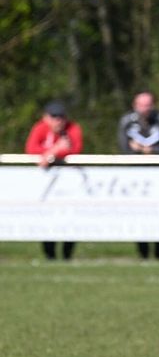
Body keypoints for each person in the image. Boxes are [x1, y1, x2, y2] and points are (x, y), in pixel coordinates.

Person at [118, 90, 159, 260]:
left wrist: (146, 150)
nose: (145, 109)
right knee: (139, 214)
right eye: (141, 105)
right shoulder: (126, 121)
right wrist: (141, 152)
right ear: (135, 106)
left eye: (148, 105)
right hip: (136, 176)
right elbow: (123, 147)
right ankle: (142, 253)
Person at [25, 100, 83, 260]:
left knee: (70, 218)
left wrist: (49, 155)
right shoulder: (40, 128)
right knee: (46, 218)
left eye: (61, 117)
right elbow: (31, 149)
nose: (58, 120)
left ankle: (67, 255)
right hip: (45, 185)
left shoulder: (73, 128)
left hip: (69, 183)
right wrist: (55, 150)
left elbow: (75, 150)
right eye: (54, 116)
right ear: (46, 117)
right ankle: (49, 255)